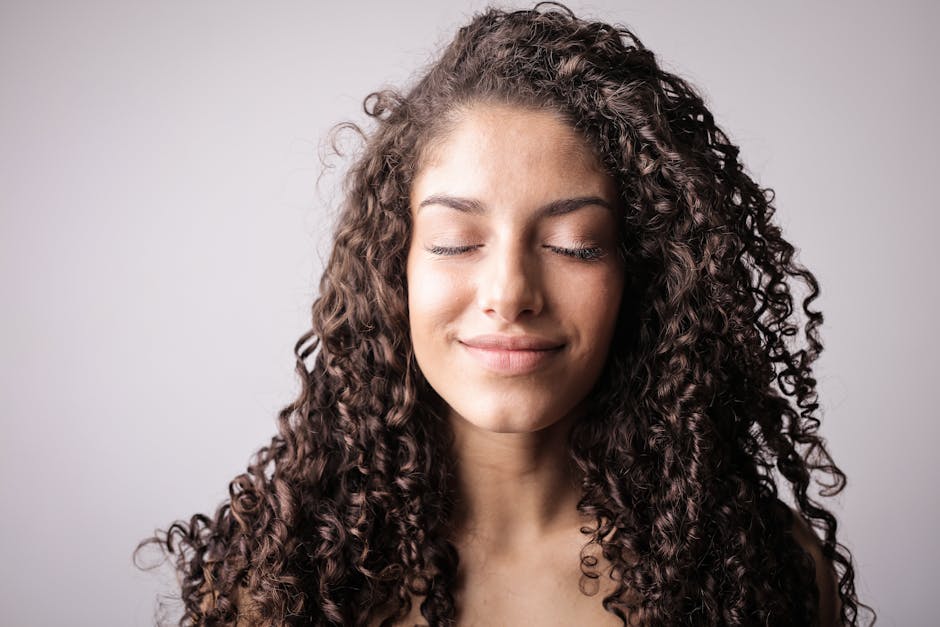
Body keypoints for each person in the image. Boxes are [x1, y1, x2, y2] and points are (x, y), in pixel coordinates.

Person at [137, 4, 876, 625]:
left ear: (641, 275)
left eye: (572, 244)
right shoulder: (279, 579)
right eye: (457, 241)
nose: (509, 291)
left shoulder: (757, 572)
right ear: (391, 269)